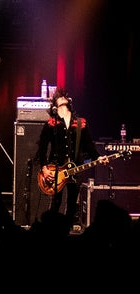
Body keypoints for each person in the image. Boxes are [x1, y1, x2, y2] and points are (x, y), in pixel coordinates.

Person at [34, 88, 109, 228]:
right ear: (55, 106)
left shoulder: (80, 123)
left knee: (72, 201)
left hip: (75, 168)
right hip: (56, 168)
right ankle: (52, 231)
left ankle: (66, 231)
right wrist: (44, 168)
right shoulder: (51, 124)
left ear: (68, 103)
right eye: (59, 98)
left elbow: (89, 146)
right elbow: (42, 148)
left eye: (64, 98)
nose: (62, 99)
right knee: (56, 202)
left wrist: (98, 158)